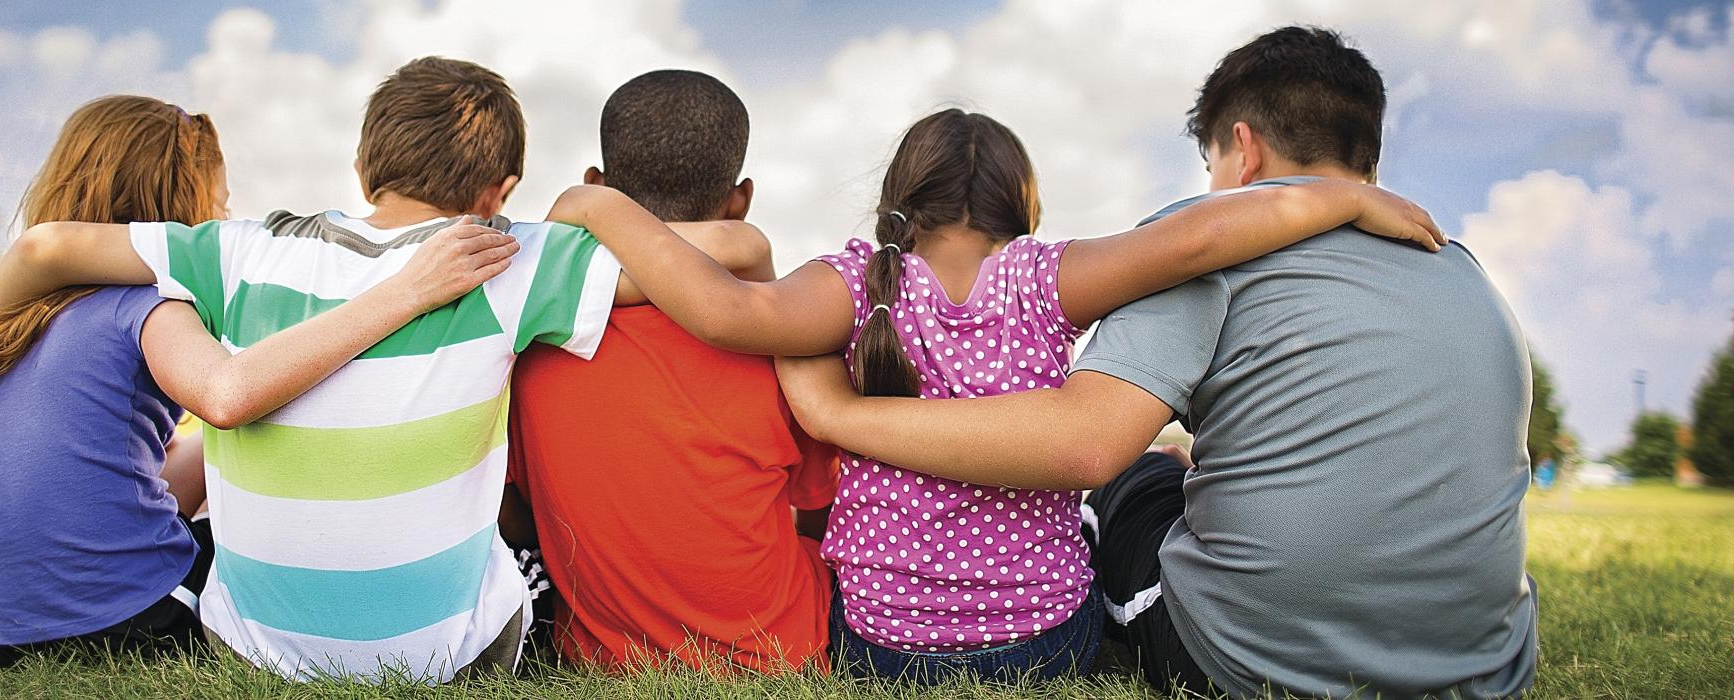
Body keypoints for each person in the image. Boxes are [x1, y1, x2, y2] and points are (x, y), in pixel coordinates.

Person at [0, 58, 765, 682]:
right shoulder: (507, 257)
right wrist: (587, 213)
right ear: (500, 191)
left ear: (363, 168)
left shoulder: (236, 251)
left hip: (250, 654)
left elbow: (40, 247)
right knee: (524, 553)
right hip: (447, 661)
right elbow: (715, 247)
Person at [538, 108, 1442, 683]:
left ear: (901, 198)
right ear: (1022, 203)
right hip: (1043, 643)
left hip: (880, 647)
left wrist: (603, 208)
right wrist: (1340, 198)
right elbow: (1200, 240)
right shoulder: (1046, 278)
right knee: (1123, 500)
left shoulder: (857, 282)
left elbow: (726, 312)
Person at [774, 26, 1538, 698]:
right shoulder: (1460, 265)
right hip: (1485, 661)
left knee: (1133, 477)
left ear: (1243, 150)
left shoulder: (1207, 239)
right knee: (1164, 461)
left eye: (1210, 163)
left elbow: (1084, 445)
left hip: (1260, 662)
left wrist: (841, 413)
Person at [0, 95, 518, 667]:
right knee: (272, 532)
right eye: (218, 203)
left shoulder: (13, 321)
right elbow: (226, 396)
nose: (222, 218)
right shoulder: (146, 305)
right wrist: (404, 292)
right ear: (174, 203)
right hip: (125, 625)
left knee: (208, 460)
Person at [502, 69, 839, 674]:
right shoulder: (781, 337)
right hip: (784, 645)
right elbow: (819, 508)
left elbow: (517, 514)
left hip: (598, 655)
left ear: (597, 185)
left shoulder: (530, 346)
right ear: (740, 201)